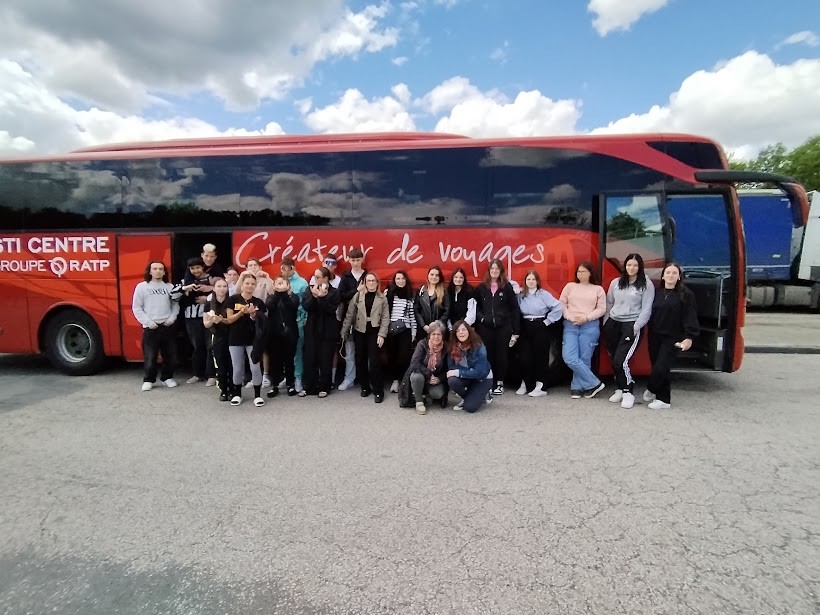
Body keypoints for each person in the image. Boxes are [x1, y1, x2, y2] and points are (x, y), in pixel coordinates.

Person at [644, 263, 699, 410]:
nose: (670, 275)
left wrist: (689, 337)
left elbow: (690, 316)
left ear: (679, 276)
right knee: (657, 367)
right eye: (668, 273)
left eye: (674, 273)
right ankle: (663, 399)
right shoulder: (656, 292)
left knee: (661, 368)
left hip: (673, 337)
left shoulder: (687, 295)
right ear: (663, 276)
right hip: (654, 335)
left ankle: (651, 388)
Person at [603, 253, 655, 409]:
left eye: (635, 265)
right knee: (614, 358)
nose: (631, 268)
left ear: (640, 267)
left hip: (631, 325)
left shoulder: (646, 284)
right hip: (613, 323)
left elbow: (647, 308)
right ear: (624, 266)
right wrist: (606, 322)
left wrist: (636, 326)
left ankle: (628, 392)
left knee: (621, 360)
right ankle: (619, 388)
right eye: (629, 265)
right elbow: (609, 302)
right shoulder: (616, 283)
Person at [559, 262, 607, 399]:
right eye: (579, 271)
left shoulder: (598, 289)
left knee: (584, 358)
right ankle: (594, 383)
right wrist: (570, 317)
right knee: (569, 357)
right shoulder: (570, 286)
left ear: (590, 273)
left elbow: (602, 309)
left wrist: (586, 318)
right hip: (571, 325)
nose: (581, 274)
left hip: (590, 326)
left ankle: (577, 387)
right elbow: (561, 304)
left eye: (584, 271)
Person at [341, 272, 389, 403]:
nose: (371, 283)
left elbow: (385, 318)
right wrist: (343, 332)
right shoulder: (358, 296)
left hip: (374, 331)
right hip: (360, 330)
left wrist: (382, 334)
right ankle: (365, 386)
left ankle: (378, 390)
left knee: (374, 361)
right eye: (369, 281)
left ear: (377, 282)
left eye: (374, 281)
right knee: (360, 359)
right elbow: (350, 314)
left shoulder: (382, 298)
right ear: (364, 282)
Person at [131, 261, 180, 391]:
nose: (158, 271)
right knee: (150, 356)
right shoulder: (142, 287)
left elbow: (175, 305)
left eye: (161, 269)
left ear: (164, 272)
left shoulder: (170, 287)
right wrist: (148, 322)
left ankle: (167, 378)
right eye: (155, 268)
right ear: (150, 271)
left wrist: (171, 319)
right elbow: (136, 307)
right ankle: (149, 380)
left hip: (167, 326)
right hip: (151, 328)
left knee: (171, 356)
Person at [474, 258, 521, 396]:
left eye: (497, 269)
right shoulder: (482, 287)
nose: (494, 271)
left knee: (502, 356)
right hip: (486, 328)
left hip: (503, 327)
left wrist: (516, 330)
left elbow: (514, 309)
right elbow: (474, 306)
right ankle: (490, 382)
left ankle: (500, 382)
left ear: (501, 271)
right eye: (492, 269)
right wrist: (481, 318)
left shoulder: (506, 287)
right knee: (487, 355)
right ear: (488, 271)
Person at [516, 269, 563, 397]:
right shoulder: (521, 295)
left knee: (541, 357)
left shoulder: (543, 294)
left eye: (533, 279)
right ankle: (525, 383)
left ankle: (540, 386)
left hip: (540, 325)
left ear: (537, 281)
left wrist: (548, 321)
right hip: (525, 325)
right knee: (524, 357)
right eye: (528, 279)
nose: (530, 282)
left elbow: (558, 306)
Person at [225, 273, 267, 407]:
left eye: (252, 284)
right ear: (242, 284)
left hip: (253, 339)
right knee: (237, 368)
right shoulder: (233, 299)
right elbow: (229, 319)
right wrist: (242, 312)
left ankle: (258, 395)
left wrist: (254, 315)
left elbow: (263, 320)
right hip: (235, 338)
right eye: (247, 283)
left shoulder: (258, 302)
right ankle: (237, 394)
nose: (250, 286)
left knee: (255, 367)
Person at [300, 266, 341, 398]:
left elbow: (331, 309)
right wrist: (314, 296)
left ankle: (325, 387)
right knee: (310, 357)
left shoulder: (334, 292)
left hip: (327, 328)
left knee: (325, 358)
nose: (315, 279)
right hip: (312, 327)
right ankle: (309, 386)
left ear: (325, 278)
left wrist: (322, 298)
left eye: (318, 277)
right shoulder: (310, 288)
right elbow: (306, 306)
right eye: (314, 276)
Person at [180, 256, 217, 386]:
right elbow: (177, 297)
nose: (195, 270)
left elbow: (223, 291)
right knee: (197, 346)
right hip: (191, 318)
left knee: (210, 346)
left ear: (202, 267)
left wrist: (206, 297)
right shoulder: (185, 281)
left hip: (209, 316)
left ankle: (211, 375)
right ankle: (197, 374)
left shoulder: (212, 279)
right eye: (192, 268)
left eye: (197, 267)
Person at [264, 275, 301, 398]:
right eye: (277, 283)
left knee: (289, 359)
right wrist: (277, 293)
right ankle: (275, 385)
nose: (280, 285)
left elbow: (292, 306)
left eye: (282, 283)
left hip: (290, 331)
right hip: (274, 332)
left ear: (288, 285)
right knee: (275, 359)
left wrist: (284, 293)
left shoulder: (294, 297)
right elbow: (270, 306)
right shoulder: (271, 297)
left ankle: (290, 384)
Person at [402, 321, 448, 415]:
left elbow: (448, 369)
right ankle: (419, 402)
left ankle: (427, 394)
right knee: (416, 377)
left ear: (442, 335)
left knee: (438, 394)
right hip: (422, 375)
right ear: (429, 335)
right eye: (433, 334)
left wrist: (439, 379)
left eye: (438, 334)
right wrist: (429, 374)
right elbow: (414, 363)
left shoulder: (446, 348)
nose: (436, 337)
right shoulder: (422, 344)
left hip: (435, 378)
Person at [446, 321, 493, 413]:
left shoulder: (479, 346)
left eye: (464, 330)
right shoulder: (452, 346)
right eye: (458, 331)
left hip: (482, 378)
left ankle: (483, 394)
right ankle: (469, 396)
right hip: (468, 376)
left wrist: (459, 372)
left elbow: (479, 372)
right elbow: (451, 367)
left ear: (469, 331)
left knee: (470, 408)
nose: (461, 332)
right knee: (452, 380)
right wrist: (469, 371)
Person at [337, 248, 367, 391]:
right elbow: (341, 296)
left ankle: (364, 378)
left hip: (365, 318)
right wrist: (357, 291)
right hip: (349, 319)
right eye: (353, 260)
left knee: (363, 351)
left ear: (362, 260)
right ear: (349, 260)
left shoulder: (368, 275)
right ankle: (349, 378)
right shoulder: (346, 276)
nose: (355, 263)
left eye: (358, 260)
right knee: (349, 351)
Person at [243, 258, 275, 386]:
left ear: (260, 267)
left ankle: (266, 376)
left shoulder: (264, 280)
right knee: (252, 348)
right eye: (250, 265)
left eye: (255, 265)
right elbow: (238, 292)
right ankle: (254, 377)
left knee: (264, 348)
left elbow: (272, 292)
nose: (253, 267)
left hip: (263, 318)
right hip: (247, 318)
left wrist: (267, 277)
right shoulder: (245, 280)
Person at [384, 270, 416, 394]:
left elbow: (412, 316)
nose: (400, 281)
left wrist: (413, 332)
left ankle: (402, 380)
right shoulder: (388, 293)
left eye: (402, 279)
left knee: (403, 357)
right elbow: (384, 313)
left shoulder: (409, 295)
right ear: (394, 280)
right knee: (392, 356)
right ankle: (395, 381)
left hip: (405, 330)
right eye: (398, 279)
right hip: (391, 329)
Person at [281, 257, 308, 392]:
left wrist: (305, 319)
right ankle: (288, 377)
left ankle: (298, 378)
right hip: (283, 323)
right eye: (282, 268)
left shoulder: (302, 283)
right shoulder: (280, 282)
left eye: (287, 268)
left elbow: (306, 302)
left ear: (293, 268)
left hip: (298, 322)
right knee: (285, 352)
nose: (284, 271)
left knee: (297, 352)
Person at [203, 278, 232, 402]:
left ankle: (233, 389)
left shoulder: (232, 301)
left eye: (224, 286)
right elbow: (206, 324)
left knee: (232, 364)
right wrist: (212, 320)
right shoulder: (209, 304)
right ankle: (223, 390)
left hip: (231, 335)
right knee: (220, 364)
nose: (222, 289)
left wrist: (224, 320)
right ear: (214, 288)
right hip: (217, 336)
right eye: (219, 286)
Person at [414, 265, 450, 340]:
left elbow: (447, 311)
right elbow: (416, 310)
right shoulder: (421, 290)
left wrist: (436, 326)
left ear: (440, 278)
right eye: (432, 274)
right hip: (423, 330)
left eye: (437, 275)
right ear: (428, 276)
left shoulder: (444, 291)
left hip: (439, 330)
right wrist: (423, 325)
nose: (434, 277)